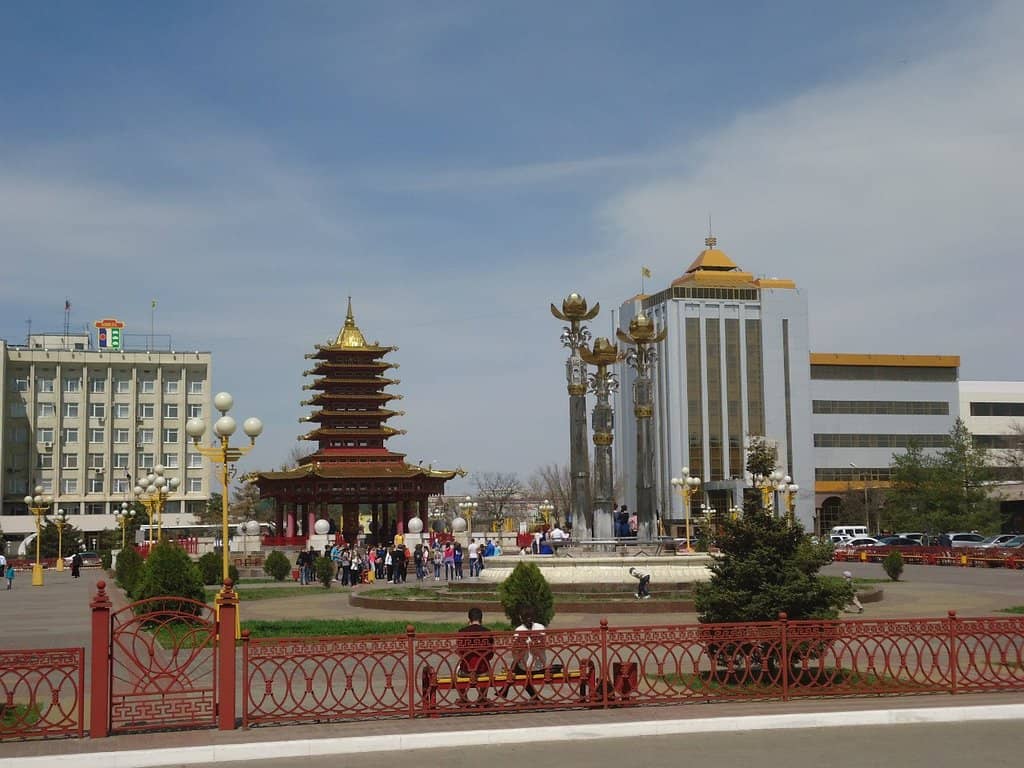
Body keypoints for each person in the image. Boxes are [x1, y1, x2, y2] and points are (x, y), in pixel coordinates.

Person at [503, 608, 546, 701]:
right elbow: (544, 645)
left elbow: (514, 652)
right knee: (517, 669)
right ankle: (505, 689)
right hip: (541, 666)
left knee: (516, 670)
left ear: (520, 618)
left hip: (526, 668)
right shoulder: (541, 627)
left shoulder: (519, 630)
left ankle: (505, 689)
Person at [456, 607, 495, 704]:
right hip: (483, 670)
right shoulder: (487, 632)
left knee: (456, 670)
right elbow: (490, 654)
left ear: (469, 619)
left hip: (466, 670)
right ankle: (482, 697)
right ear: (481, 619)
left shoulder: (462, 632)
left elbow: (460, 652)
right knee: (487, 667)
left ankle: (464, 698)